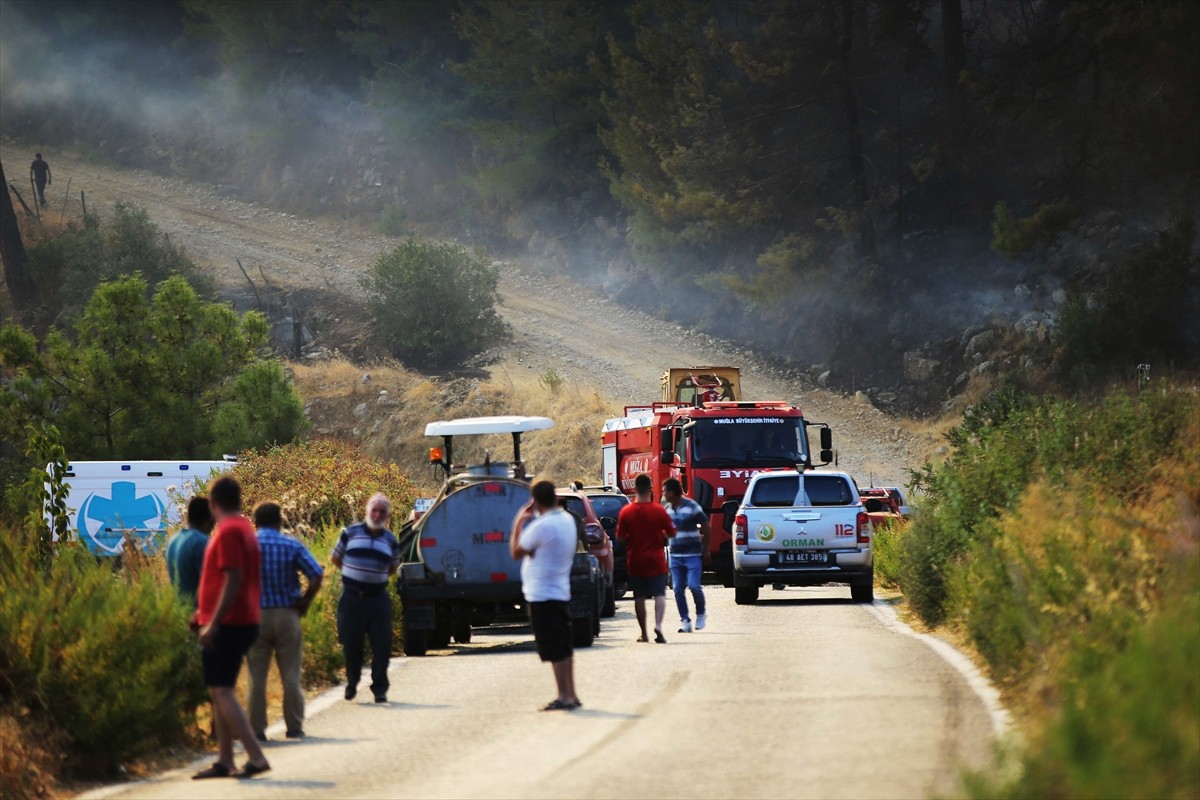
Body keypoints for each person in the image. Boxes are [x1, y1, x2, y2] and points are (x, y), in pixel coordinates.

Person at [192, 475, 270, 779]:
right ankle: (225, 759)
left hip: (230, 622)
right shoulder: (243, 528)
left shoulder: (228, 532)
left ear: (213, 504)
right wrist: (203, 614)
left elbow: (233, 579)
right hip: (237, 618)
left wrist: (212, 623)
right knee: (219, 689)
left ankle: (255, 755)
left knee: (222, 690)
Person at [246, 501, 324, 742]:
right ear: (280, 521)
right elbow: (316, 574)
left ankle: (257, 730)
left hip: (255, 616)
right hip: (287, 615)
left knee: (256, 677)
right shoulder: (291, 545)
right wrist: (305, 602)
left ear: (255, 522)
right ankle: (294, 727)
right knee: (290, 675)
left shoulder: (246, 547)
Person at [511, 480, 582, 711]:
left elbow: (516, 551)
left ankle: (563, 696)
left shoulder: (540, 526)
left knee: (554, 649)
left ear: (535, 501)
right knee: (564, 645)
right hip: (560, 590)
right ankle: (571, 693)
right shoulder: (566, 520)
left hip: (542, 594)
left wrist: (519, 521)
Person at [331, 493, 400, 704]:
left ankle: (379, 688)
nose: (377, 514)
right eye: (374, 510)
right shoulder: (349, 533)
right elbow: (336, 558)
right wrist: (353, 576)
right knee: (351, 644)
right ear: (367, 511)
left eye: (382, 512)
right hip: (351, 598)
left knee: (382, 645)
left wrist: (372, 579)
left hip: (377, 599)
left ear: (387, 516)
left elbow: (392, 567)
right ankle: (352, 683)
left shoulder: (391, 540)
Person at [615, 473, 675, 644]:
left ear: (634, 488)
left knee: (639, 597)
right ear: (650, 489)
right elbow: (671, 533)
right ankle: (658, 626)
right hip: (656, 559)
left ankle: (644, 633)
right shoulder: (658, 510)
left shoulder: (627, 511)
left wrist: (632, 541)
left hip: (635, 559)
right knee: (659, 595)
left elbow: (620, 537)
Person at [662, 478, 711, 633]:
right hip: (675, 556)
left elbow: (706, 526)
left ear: (671, 492)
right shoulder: (667, 510)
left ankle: (701, 613)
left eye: (665, 491)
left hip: (692, 555)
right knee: (677, 589)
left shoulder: (692, 507)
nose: (663, 494)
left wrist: (707, 550)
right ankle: (685, 620)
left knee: (694, 586)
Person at [166, 496, 214, 608]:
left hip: (179, 611)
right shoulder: (201, 542)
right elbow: (210, 583)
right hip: (198, 614)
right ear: (207, 518)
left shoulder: (173, 541)